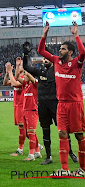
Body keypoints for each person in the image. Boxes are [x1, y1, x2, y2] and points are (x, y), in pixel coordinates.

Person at [38, 21, 85, 176]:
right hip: (61, 105)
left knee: (79, 135)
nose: (60, 50)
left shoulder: (76, 63)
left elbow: (83, 53)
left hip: (75, 104)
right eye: (60, 48)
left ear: (70, 52)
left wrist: (76, 35)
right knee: (62, 134)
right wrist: (44, 34)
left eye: (63, 49)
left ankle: (83, 169)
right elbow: (40, 50)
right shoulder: (56, 61)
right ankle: (64, 170)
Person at [22, 42, 77, 165]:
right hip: (42, 105)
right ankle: (48, 156)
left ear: (52, 61)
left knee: (63, 131)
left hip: (55, 105)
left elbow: (53, 57)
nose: (46, 60)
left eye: (48, 58)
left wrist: (45, 46)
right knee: (45, 131)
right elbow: (26, 67)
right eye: (44, 59)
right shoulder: (40, 72)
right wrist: (25, 54)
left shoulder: (56, 70)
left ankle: (71, 152)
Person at [7, 65, 42, 161]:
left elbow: (30, 77)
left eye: (26, 75)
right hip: (25, 111)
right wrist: (18, 67)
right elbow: (17, 77)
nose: (24, 76)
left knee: (31, 133)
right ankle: (38, 152)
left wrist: (26, 69)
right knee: (30, 133)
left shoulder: (35, 84)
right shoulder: (25, 85)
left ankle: (31, 155)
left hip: (32, 111)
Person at [3, 57, 26, 156]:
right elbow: (5, 83)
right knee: (23, 127)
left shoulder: (24, 78)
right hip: (17, 105)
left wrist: (11, 72)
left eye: (20, 66)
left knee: (22, 127)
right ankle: (37, 146)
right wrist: (7, 73)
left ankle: (20, 149)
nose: (19, 67)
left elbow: (14, 83)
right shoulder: (16, 77)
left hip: (22, 105)